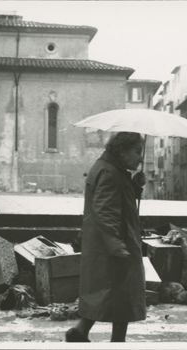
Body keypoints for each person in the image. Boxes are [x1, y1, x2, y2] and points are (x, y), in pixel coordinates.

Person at [65, 132, 147, 342]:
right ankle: (117, 342)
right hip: (112, 246)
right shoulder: (110, 173)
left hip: (106, 245)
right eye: (137, 152)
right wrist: (117, 246)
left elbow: (117, 202)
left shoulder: (110, 168)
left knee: (106, 295)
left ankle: (80, 332)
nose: (140, 157)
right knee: (122, 297)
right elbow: (105, 211)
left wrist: (135, 187)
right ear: (122, 151)